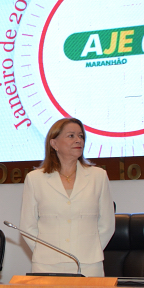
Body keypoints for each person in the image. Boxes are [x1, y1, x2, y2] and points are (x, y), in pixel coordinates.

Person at [19, 118, 114, 276]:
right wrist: (44, 252)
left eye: (81, 136)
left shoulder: (99, 176)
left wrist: (90, 249)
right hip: (46, 264)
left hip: (88, 264)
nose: (78, 140)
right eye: (71, 136)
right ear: (54, 144)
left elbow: (107, 225)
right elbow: (27, 226)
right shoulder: (35, 179)